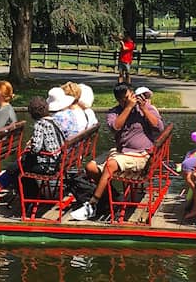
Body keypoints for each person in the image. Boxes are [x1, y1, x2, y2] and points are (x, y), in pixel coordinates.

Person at [70, 83, 164, 221]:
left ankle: (92, 204)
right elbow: (116, 127)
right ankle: (112, 197)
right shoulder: (114, 112)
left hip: (140, 154)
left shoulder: (146, 107)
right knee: (90, 167)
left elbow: (159, 127)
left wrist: (143, 108)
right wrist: (128, 107)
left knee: (111, 164)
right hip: (121, 152)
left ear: (132, 93)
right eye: (123, 99)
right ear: (119, 100)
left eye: (129, 97)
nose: (128, 100)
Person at [0, 96, 65, 212]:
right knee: (17, 165)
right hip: (57, 162)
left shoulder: (40, 124)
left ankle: (27, 199)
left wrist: (30, 145)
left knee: (15, 168)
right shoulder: (55, 121)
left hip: (46, 165)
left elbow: (36, 149)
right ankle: (0, 180)